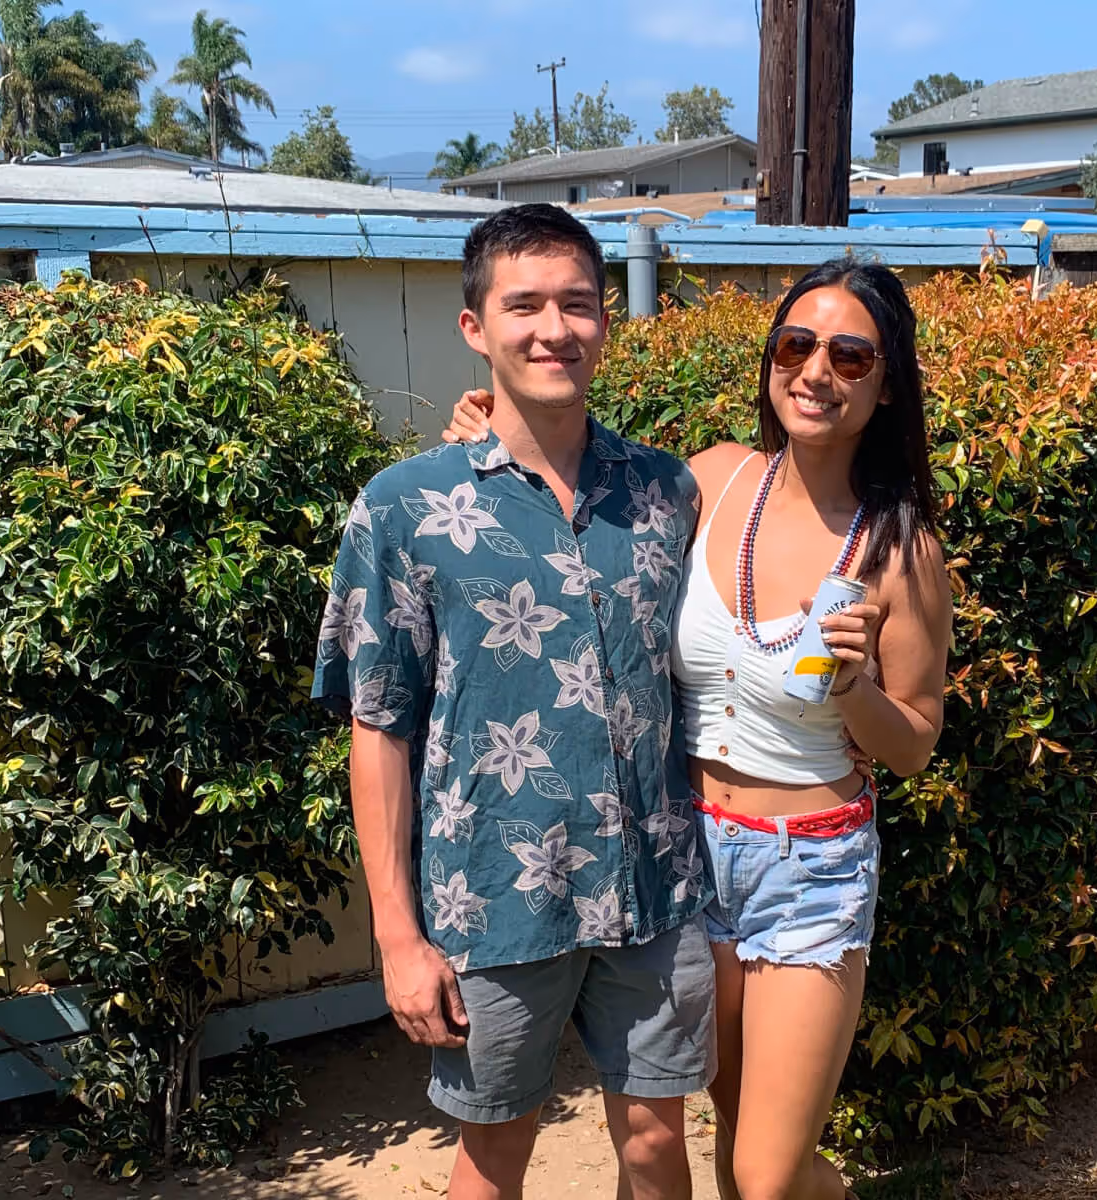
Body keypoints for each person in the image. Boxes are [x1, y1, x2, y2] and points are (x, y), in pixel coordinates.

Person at [444, 257, 951, 1200]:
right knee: (728, 1132)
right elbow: (583, 498)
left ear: (885, 386)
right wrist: (495, 435)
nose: (817, 372)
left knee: (767, 1173)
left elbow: (916, 745)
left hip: (809, 867)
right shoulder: (711, 482)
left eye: (850, 356)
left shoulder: (898, 547)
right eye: (796, 346)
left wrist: (853, 689)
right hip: (684, 855)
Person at [313, 203, 717, 1200]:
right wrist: (397, 936)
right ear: (475, 326)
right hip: (494, 899)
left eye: (577, 303)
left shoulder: (665, 494)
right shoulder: (405, 508)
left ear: (606, 321)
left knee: (657, 1142)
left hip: (655, 888)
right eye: (524, 305)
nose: (553, 328)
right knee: (495, 1154)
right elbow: (378, 727)